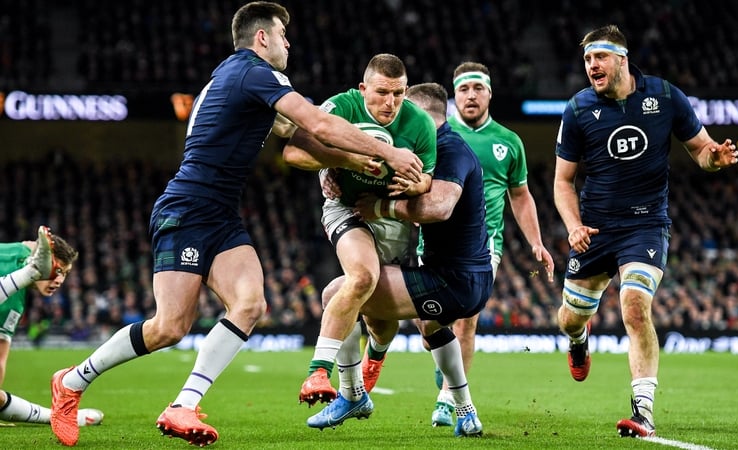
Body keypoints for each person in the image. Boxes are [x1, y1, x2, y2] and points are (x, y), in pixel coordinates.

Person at [48, 3, 424, 447]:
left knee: (250, 304)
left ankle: (184, 405)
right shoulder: (254, 73)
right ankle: (71, 382)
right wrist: (389, 154)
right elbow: (318, 122)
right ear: (261, 37)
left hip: (222, 214)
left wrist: (349, 159)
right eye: (284, 34)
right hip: (187, 208)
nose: (289, 43)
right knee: (169, 326)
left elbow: (301, 138)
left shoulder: (241, 79)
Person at [553, 24, 738, 438]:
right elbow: (562, 180)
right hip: (595, 231)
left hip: (645, 225)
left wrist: (717, 158)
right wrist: (573, 226)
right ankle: (578, 338)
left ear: (621, 58)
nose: (591, 66)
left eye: (598, 57)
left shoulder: (665, 96)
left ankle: (643, 413)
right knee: (568, 318)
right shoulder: (579, 109)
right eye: (586, 60)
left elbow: (701, 151)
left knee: (634, 307)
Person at [363, 61, 556, 427]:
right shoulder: (428, 136)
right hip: (428, 239)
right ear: (453, 97)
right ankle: (432, 368)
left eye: (477, 89)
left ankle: (450, 401)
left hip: (483, 245)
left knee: (465, 322)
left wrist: (536, 242)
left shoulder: (508, 141)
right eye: (464, 89)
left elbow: (521, 195)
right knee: (429, 325)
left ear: (489, 94)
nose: (471, 95)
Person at [309, 82, 490, 437]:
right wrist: (334, 173)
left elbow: (439, 207)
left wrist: (380, 207)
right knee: (430, 326)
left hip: (452, 279)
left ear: (421, 115)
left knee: (336, 294)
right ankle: (466, 412)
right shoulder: (440, 148)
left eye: (406, 114)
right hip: (460, 274)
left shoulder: (449, 148)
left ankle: (352, 393)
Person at [282, 54, 437, 408]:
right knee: (363, 276)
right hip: (346, 208)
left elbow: (427, 179)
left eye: (398, 94)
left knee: (381, 322)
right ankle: (319, 372)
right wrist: (342, 161)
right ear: (363, 89)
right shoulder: (341, 106)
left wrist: (412, 185)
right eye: (382, 92)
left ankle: (376, 355)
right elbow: (293, 152)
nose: (390, 103)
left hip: (392, 220)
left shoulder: (420, 124)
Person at [0, 226, 103, 427]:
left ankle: (60, 417)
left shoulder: (15, 289)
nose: (59, 280)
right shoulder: (13, 292)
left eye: (64, 274)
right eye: (56, 270)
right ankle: (62, 417)